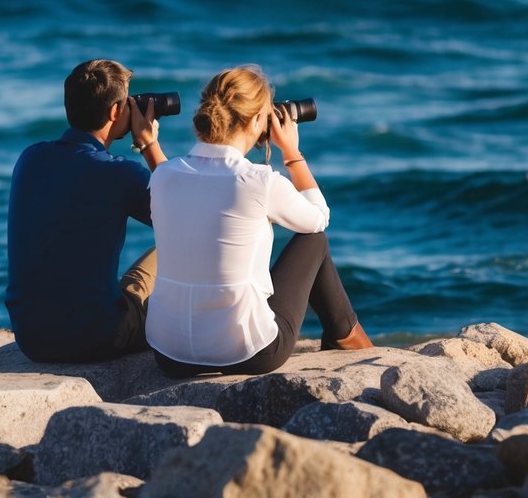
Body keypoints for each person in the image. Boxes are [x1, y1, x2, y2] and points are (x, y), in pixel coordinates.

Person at [146, 66, 371, 376]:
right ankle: (347, 335)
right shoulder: (258, 180)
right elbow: (318, 219)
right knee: (313, 241)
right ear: (256, 120)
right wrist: (291, 152)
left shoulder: (163, 175)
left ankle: (347, 334)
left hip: (170, 353)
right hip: (248, 352)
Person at [5, 58, 166, 363]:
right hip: (97, 336)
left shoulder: (30, 158)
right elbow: (185, 214)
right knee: (179, 245)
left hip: (32, 338)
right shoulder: (118, 173)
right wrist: (148, 143)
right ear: (115, 111)